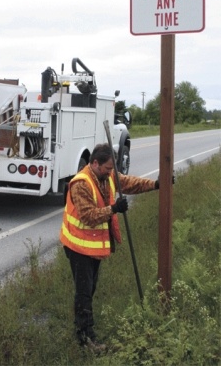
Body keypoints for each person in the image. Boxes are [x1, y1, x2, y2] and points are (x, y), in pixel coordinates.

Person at [60, 143, 163, 352]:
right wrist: (114, 208)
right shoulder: (81, 183)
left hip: (92, 246)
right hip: (78, 247)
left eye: (112, 169)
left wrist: (156, 184)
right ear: (95, 163)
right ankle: (86, 339)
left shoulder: (106, 177)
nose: (111, 173)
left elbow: (129, 183)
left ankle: (84, 331)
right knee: (84, 293)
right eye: (108, 168)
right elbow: (88, 216)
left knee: (90, 290)